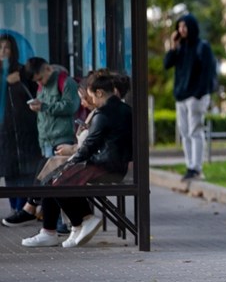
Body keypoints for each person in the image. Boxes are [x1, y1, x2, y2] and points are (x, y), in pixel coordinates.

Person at [21, 70, 133, 248]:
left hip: (104, 166)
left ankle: (83, 220)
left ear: (99, 93)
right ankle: (75, 225)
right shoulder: (125, 109)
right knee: (55, 178)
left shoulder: (103, 114)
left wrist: (71, 163)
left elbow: (89, 147)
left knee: (57, 182)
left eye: (91, 97)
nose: (91, 103)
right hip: (115, 165)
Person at [2, 57, 81, 228]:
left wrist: (44, 107)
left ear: (47, 68)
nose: (40, 82)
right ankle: (49, 220)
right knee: (49, 181)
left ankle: (57, 220)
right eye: (36, 81)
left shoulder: (65, 82)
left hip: (62, 138)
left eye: (40, 78)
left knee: (57, 181)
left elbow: (71, 106)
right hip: (46, 139)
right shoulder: (42, 86)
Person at [163, 13, 217, 181]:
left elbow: (208, 72)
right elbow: (167, 64)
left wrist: (198, 94)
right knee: (185, 133)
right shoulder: (180, 47)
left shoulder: (202, 47)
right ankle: (190, 166)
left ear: (192, 27)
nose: (181, 29)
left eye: (184, 26)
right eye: (179, 27)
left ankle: (197, 168)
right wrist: (173, 45)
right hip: (181, 96)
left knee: (196, 132)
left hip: (195, 97)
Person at [0, 34, 41, 215]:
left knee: (28, 170)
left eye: (6, 48)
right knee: (10, 171)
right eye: (0, 48)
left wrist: (21, 79)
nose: (3, 51)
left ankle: (27, 209)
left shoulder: (23, 70)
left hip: (26, 128)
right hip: (4, 131)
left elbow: (36, 92)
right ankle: (15, 208)